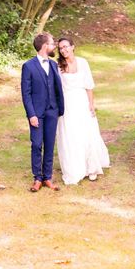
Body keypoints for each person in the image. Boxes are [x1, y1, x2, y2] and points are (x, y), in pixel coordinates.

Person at [55, 37, 110, 184]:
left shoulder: (83, 62)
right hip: (67, 104)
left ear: (73, 46)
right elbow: (56, 88)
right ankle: (75, 167)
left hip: (82, 101)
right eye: (60, 48)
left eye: (66, 46)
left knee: (87, 133)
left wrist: (91, 104)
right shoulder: (58, 66)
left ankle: (92, 168)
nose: (64, 50)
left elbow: (89, 85)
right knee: (71, 135)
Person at [21, 32, 65, 192]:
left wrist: (59, 109)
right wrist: (31, 114)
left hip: (52, 111)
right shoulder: (28, 66)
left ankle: (47, 177)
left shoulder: (53, 65)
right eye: (52, 44)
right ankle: (37, 178)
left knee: (49, 144)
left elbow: (57, 88)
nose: (54, 47)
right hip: (37, 113)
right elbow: (26, 93)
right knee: (37, 144)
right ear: (45, 46)